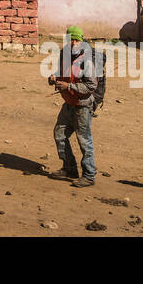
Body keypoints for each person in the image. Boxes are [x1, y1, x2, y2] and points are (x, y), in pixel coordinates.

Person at [48, 25, 97, 187]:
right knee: (59, 134)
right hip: (68, 103)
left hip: (82, 105)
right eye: (71, 39)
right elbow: (61, 71)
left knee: (84, 141)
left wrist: (68, 87)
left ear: (81, 40)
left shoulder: (87, 59)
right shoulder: (65, 53)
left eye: (76, 39)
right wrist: (54, 77)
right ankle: (69, 168)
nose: (73, 42)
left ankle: (89, 175)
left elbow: (91, 86)